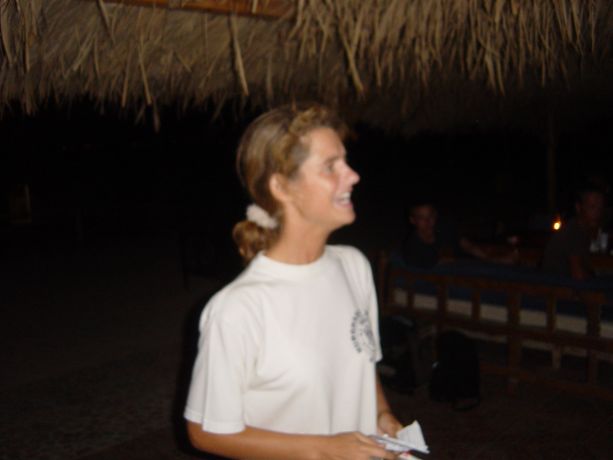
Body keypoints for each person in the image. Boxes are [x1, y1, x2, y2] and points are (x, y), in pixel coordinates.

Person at [184, 104, 403, 460]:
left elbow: (363, 364)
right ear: (282, 187)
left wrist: (381, 413)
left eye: (345, 162)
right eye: (330, 166)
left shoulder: (354, 266)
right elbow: (205, 431)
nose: (353, 176)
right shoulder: (239, 308)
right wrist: (325, 450)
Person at [401, 200, 516, 269]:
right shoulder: (412, 246)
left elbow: (468, 246)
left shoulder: (444, 228)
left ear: (435, 215)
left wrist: (492, 258)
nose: (428, 221)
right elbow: (438, 264)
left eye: (430, 216)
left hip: (471, 264)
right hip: (456, 275)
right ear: (413, 220)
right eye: (421, 218)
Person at [542, 185, 606, 280]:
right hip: (552, 285)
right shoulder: (574, 232)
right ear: (578, 208)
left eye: (600, 208)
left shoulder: (583, 231)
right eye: (592, 207)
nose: (597, 213)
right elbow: (578, 275)